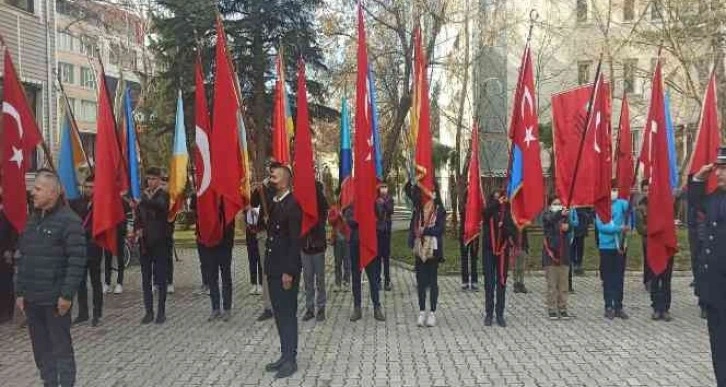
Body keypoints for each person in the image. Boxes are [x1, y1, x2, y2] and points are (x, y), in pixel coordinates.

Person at [15, 170, 86, 387]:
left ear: (53, 192)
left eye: (37, 189)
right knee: (41, 349)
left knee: (60, 349)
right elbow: (23, 256)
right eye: (33, 188)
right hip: (32, 299)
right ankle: (49, 382)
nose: (32, 193)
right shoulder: (32, 220)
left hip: (55, 300)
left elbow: (77, 261)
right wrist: (19, 291)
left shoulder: (69, 221)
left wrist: (66, 295)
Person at [264, 163, 302, 379]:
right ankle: (284, 354)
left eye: (275, 176)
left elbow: (295, 242)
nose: (271, 178)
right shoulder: (276, 203)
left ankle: (291, 359)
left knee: (287, 315)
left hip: (285, 271)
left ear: (286, 180)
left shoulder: (292, 205)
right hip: (273, 268)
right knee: (279, 315)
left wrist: (289, 272)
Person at [690, 158, 726, 387]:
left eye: (724, 169)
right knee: (719, 347)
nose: (719, 173)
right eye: (719, 168)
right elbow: (695, 202)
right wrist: (698, 178)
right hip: (714, 289)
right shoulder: (715, 198)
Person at [137, 167, 171, 324]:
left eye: (153, 179)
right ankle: (148, 311)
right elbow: (138, 217)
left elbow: (160, 206)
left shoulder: (163, 195)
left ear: (159, 179)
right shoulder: (144, 197)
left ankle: (161, 312)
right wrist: (137, 230)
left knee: (161, 278)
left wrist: (142, 201)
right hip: (145, 243)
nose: (150, 182)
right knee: (146, 279)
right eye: (148, 179)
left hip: (161, 242)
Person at [69, 176, 104, 327]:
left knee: (96, 281)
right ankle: (83, 312)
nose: (89, 189)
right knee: (80, 282)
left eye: (92, 187)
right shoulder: (78, 202)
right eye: (87, 186)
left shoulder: (101, 204)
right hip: (80, 247)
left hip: (94, 246)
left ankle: (97, 312)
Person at [410, 190, 446, 327]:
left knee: (432, 281)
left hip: (434, 251)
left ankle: (432, 312)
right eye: (426, 191)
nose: (429, 194)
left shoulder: (439, 210)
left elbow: (440, 229)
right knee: (420, 282)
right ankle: (421, 311)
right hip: (420, 250)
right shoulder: (418, 209)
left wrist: (425, 231)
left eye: (431, 192)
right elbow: (414, 227)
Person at [346, 202, 386, 322]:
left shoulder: (374, 202)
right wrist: (363, 219)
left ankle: (377, 307)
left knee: (373, 277)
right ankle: (357, 308)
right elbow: (349, 220)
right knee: (356, 277)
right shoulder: (352, 203)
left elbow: (381, 223)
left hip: (369, 245)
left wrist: (371, 222)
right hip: (355, 244)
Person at [482, 190, 515, 327]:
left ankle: (500, 314)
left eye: (500, 197)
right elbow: (485, 214)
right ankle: (489, 314)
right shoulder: (489, 210)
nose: (498, 199)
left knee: (501, 283)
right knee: (489, 284)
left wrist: (504, 226)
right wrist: (496, 204)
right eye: (495, 197)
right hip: (489, 251)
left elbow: (512, 230)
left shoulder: (508, 211)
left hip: (502, 251)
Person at [596, 189, 630, 320]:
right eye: (610, 189)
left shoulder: (621, 203)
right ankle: (608, 306)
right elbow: (602, 227)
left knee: (619, 278)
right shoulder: (601, 207)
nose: (613, 192)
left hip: (620, 247)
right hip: (606, 247)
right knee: (608, 278)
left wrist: (631, 193)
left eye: (615, 189)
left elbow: (630, 208)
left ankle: (618, 306)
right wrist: (618, 228)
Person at [541, 198, 578, 319]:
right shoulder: (547, 214)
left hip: (564, 255)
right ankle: (552, 309)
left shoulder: (565, 215)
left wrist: (569, 227)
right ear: (550, 205)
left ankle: (562, 308)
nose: (557, 206)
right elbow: (550, 220)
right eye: (555, 204)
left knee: (563, 285)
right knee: (552, 285)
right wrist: (559, 214)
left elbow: (571, 227)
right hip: (551, 254)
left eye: (559, 204)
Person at [301, 181, 329, 322]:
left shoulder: (319, 195)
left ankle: (321, 307)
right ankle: (310, 308)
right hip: (305, 246)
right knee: (308, 279)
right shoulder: (301, 197)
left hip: (317, 245)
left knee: (320, 279)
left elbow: (325, 211)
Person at [251, 170, 276, 322]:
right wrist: (256, 190)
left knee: (279, 270)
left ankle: (280, 303)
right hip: (263, 234)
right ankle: (268, 307)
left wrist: (266, 189)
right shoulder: (262, 188)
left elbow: (276, 203)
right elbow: (254, 205)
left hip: (278, 235)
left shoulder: (277, 188)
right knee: (266, 270)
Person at [206, 215, 235, 322]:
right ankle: (215, 308)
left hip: (225, 242)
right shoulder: (205, 198)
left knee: (226, 276)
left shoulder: (227, 199)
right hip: (210, 241)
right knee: (212, 277)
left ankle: (227, 308)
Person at [104, 195, 130, 295]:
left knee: (120, 258)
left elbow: (126, 216)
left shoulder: (123, 201)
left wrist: (124, 230)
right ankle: (107, 282)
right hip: (108, 232)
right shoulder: (106, 199)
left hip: (119, 232)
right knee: (107, 258)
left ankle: (119, 282)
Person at [0, 185, 18, 324]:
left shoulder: (8, 212)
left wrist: (11, 250)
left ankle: (7, 311)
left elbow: (13, 232)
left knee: (6, 282)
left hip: (5, 252)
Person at [328, 195, 351, 292]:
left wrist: (344, 218)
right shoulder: (334, 209)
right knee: (337, 263)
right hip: (337, 240)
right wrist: (338, 215)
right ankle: (338, 283)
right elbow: (330, 221)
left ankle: (346, 282)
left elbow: (350, 224)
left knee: (347, 262)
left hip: (346, 240)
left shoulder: (348, 209)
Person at [375, 183, 394, 291]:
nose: (383, 189)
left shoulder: (390, 200)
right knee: (377, 258)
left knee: (386, 258)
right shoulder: (375, 200)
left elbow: (391, 210)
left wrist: (385, 204)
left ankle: (387, 281)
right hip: (378, 231)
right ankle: (377, 281)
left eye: (385, 187)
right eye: (381, 187)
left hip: (386, 231)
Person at [635, 180, 653, 292]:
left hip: (657, 238)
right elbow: (640, 227)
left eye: (649, 190)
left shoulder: (658, 203)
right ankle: (648, 280)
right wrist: (652, 229)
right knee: (648, 260)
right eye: (645, 190)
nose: (648, 192)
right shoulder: (640, 206)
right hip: (647, 238)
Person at [512, 226, 530, 294]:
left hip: (522, 247)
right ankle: (516, 283)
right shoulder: (513, 225)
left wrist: (526, 249)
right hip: (515, 248)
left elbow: (525, 237)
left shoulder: (524, 226)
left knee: (522, 267)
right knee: (515, 267)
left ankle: (521, 283)